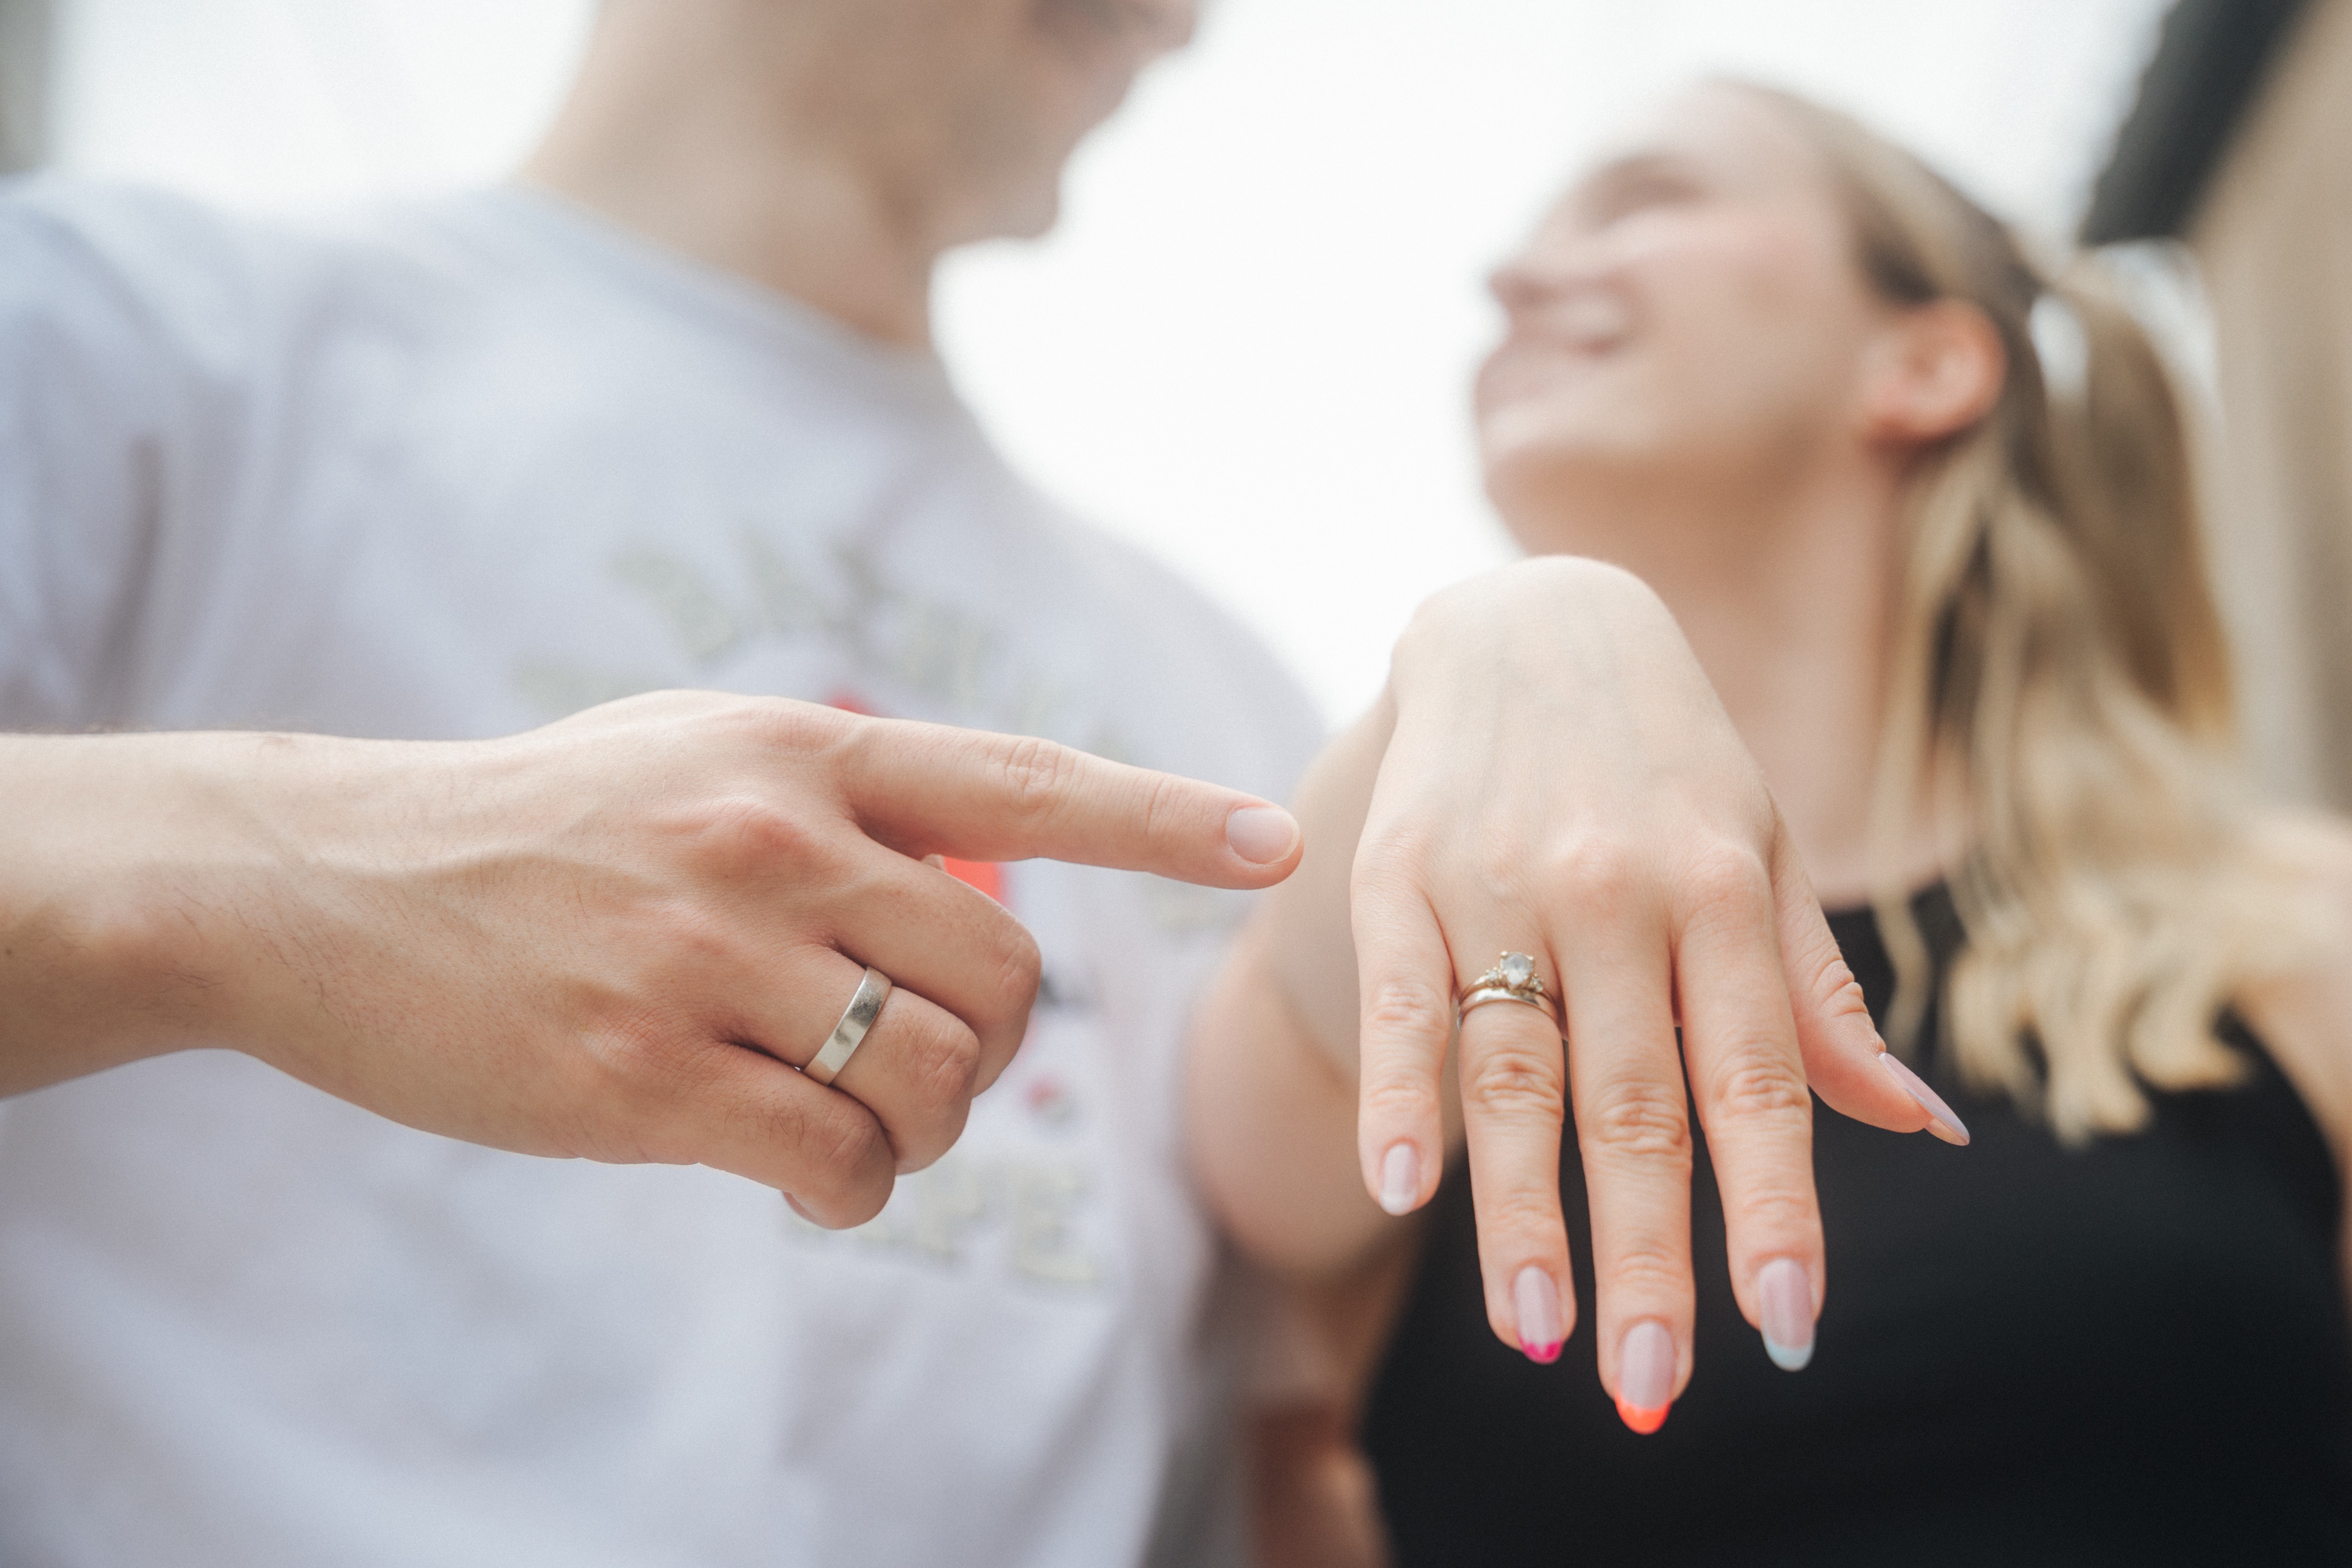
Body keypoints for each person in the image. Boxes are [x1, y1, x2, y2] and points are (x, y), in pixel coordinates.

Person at [3, 5, 1930, 1562]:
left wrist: (1536, 625)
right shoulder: (119, 332)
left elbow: (1292, 1383)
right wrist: (301, 872)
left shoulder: (1215, 675)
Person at [1193, 81, 2352, 1564]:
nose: (1514, 278)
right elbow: (1248, 1184)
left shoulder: (2290, 943)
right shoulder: (1403, 956)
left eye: (1647, 199)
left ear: (1925, 362)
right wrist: (1503, 629)